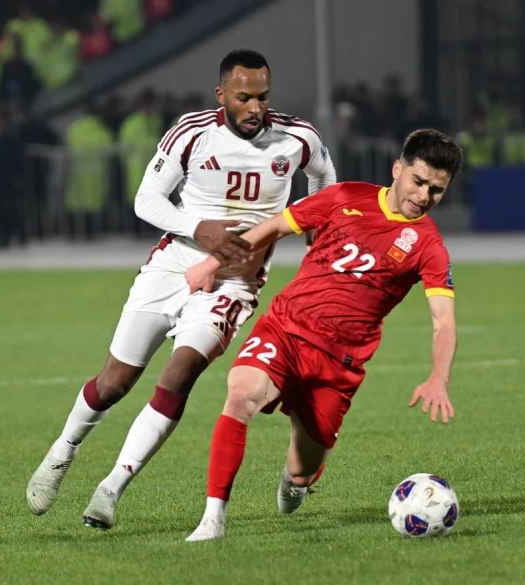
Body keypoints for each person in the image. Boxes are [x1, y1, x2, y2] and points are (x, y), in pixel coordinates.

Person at [26, 49, 337, 529]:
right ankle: (63, 451)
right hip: (172, 265)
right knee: (114, 383)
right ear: (221, 95)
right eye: (244, 97)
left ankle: (111, 488)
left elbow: (324, 178)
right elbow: (146, 199)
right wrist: (198, 227)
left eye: (263, 97)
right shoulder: (192, 132)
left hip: (234, 283)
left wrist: (317, 227)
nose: (256, 108)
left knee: (179, 374)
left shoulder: (297, 137)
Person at [183, 128, 463, 541]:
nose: (423, 196)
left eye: (436, 190)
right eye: (418, 182)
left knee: (302, 470)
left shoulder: (428, 246)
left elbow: (444, 321)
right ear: (397, 169)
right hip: (286, 329)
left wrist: (438, 377)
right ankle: (212, 519)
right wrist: (213, 263)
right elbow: (273, 227)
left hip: (338, 363)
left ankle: (297, 480)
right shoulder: (345, 196)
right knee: (241, 394)